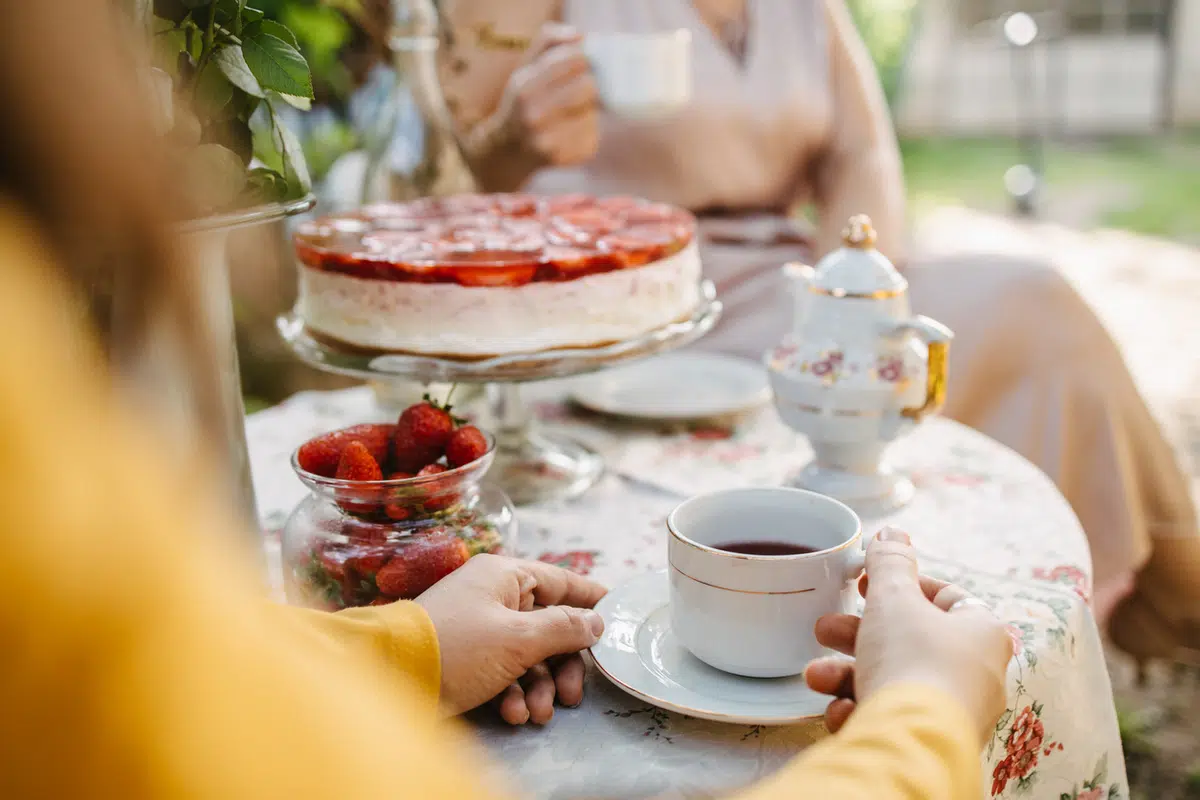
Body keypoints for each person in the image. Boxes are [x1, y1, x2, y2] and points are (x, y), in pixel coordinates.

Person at [1, 2, 1014, 796]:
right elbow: (456, 183)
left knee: (1033, 308)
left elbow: (187, 685)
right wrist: (927, 704)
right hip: (582, 264)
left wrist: (418, 645)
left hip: (758, 271)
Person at [433, 0, 1200, 668]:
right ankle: (1172, 596)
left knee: (1035, 302)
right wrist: (514, 141)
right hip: (622, 312)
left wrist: (847, 301)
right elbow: (444, 177)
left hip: (795, 281)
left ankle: (1079, 602)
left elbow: (862, 150)